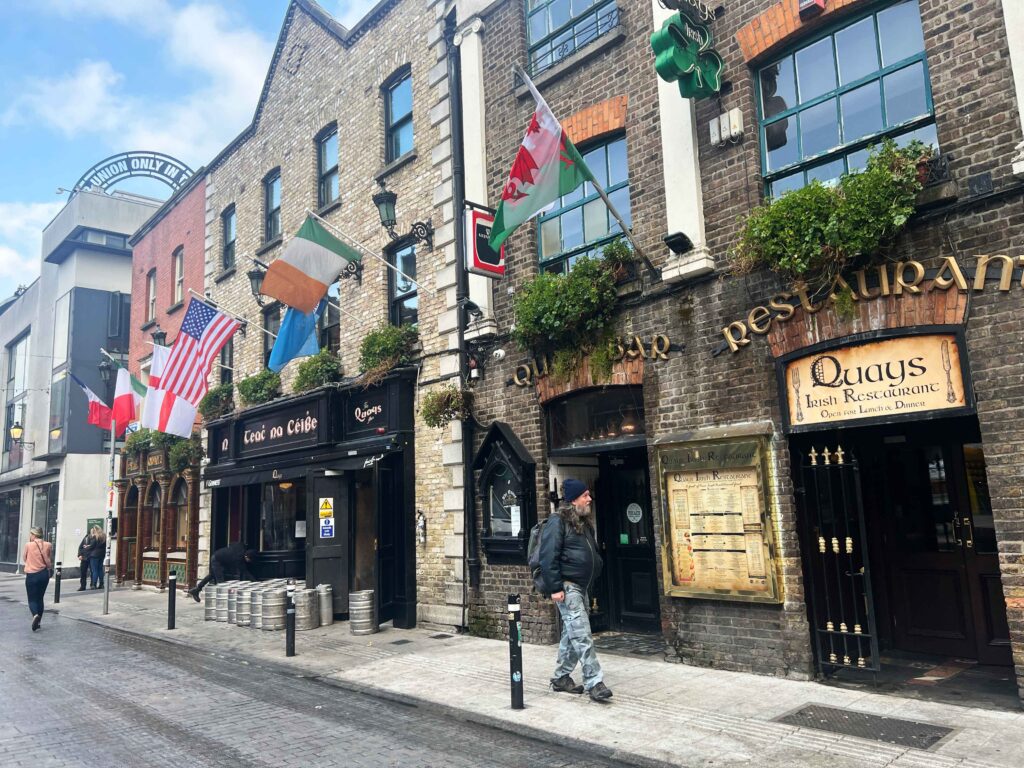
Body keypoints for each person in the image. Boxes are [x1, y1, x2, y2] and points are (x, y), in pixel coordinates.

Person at [537, 478, 612, 702]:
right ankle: (595, 682)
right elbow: (548, 556)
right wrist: (555, 587)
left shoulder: (582, 522)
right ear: (573, 500)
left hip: (581, 587)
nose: (589, 499)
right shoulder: (557, 521)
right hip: (567, 587)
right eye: (585, 495)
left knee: (572, 633)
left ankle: (561, 677)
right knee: (582, 635)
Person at [187, 542, 256, 602]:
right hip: (217, 560)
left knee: (212, 575)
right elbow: (245, 572)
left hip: (217, 557)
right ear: (246, 557)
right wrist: (254, 581)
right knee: (221, 583)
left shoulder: (241, 548)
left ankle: (196, 590)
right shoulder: (238, 558)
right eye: (249, 560)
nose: (249, 562)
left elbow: (231, 544)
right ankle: (222, 602)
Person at [23, 527, 52, 632]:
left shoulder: (28, 545)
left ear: (34, 535)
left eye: (31, 534)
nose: (30, 536)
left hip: (32, 575)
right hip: (44, 574)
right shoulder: (48, 545)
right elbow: (49, 558)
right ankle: (39, 622)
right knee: (40, 598)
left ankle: (35, 615)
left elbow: (24, 558)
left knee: (32, 599)